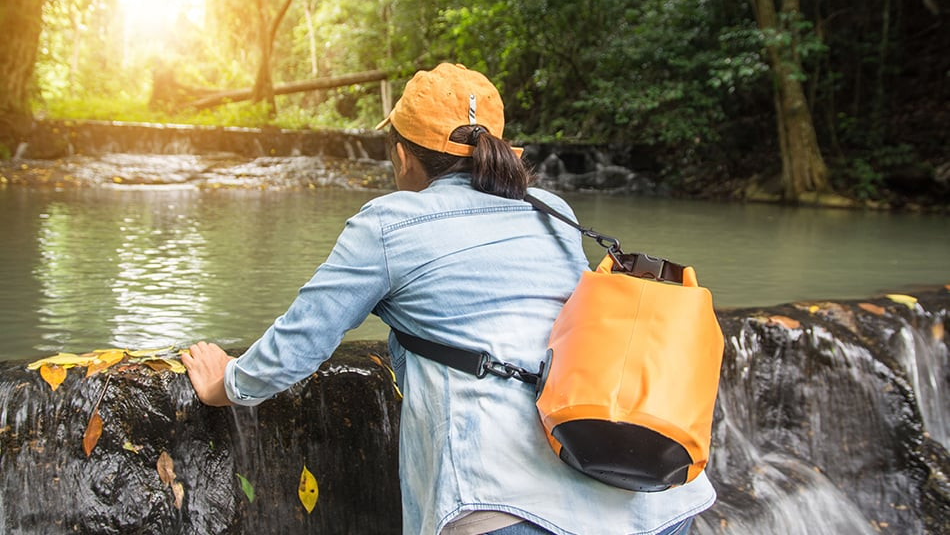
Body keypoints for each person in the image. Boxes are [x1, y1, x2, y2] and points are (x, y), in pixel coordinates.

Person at [182, 63, 715, 534]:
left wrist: (224, 384)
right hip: (654, 497)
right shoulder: (551, 210)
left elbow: (300, 343)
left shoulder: (388, 224)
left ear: (402, 155)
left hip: (505, 503)